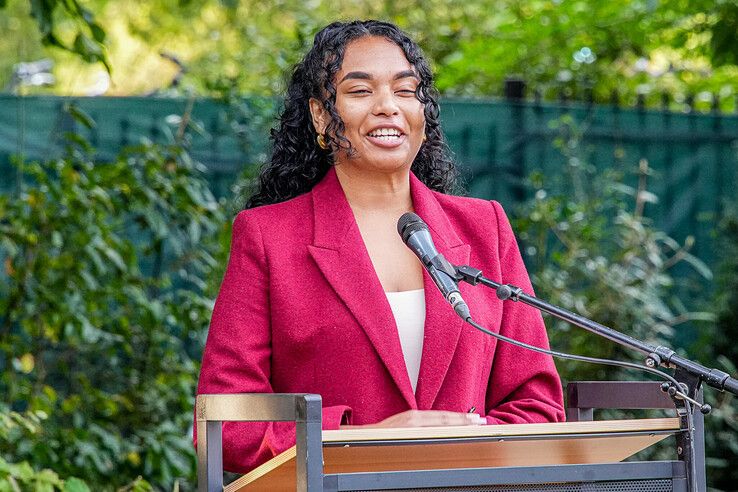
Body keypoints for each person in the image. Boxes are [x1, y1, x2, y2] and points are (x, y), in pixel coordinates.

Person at [195, 19, 565, 474]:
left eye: (406, 91)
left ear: (423, 116)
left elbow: (539, 407)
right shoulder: (268, 237)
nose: (388, 106)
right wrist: (369, 440)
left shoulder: (484, 227)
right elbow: (224, 424)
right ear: (320, 116)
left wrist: (471, 433)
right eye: (360, 91)